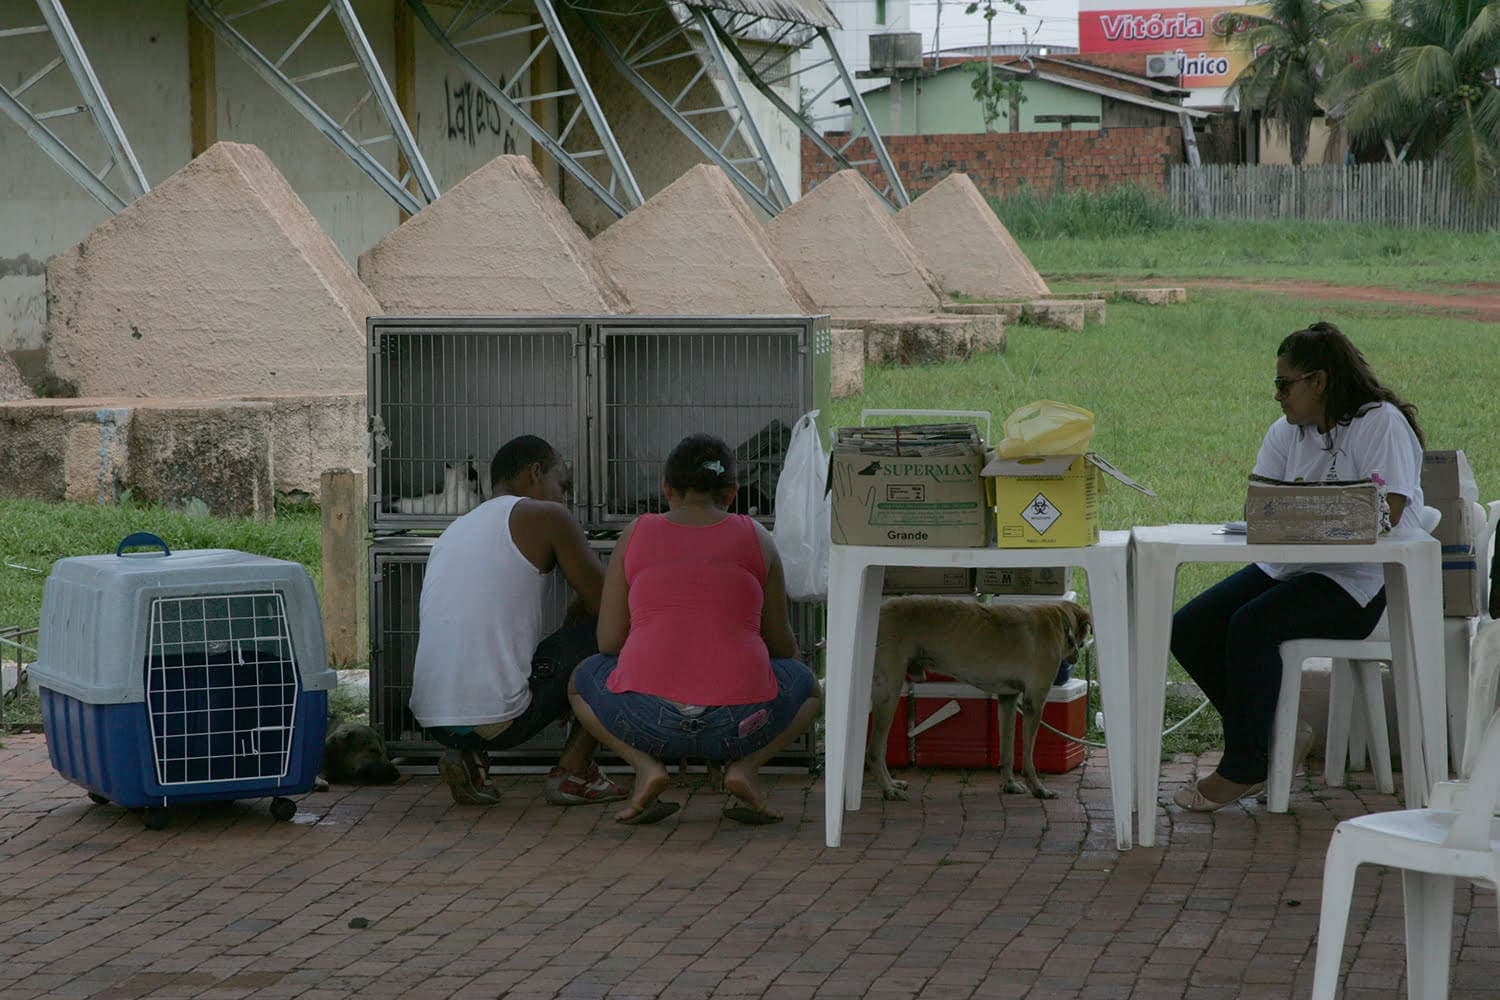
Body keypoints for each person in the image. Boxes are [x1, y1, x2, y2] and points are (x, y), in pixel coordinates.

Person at [1170, 321, 1428, 811]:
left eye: (1284, 384)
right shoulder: (1286, 432)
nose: (1277, 395)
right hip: (1290, 566)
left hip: (1360, 580)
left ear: (1320, 381)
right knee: (1190, 627)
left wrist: (1300, 513)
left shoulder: (1381, 422)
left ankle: (1245, 766)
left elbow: (1387, 512)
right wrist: (1310, 514)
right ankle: (1276, 732)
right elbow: (1260, 507)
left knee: (1251, 625)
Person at [568, 433, 821, 825]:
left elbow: (609, 640)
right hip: (738, 725)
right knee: (808, 688)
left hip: (648, 722)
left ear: (667, 489)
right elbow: (780, 644)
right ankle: (745, 769)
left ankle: (645, 767)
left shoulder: (636, 533)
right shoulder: (757, 537)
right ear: (733, 492)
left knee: (580, 680)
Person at [409, 434, 627, 807]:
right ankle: (575, 772)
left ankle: (469, 754)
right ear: (535, 473)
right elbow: (610, 607)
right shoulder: (547, 516)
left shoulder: (455, 530)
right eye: (562, 485)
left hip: (434, 719)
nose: (564, 499)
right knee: (625, 633)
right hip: (500, 720)